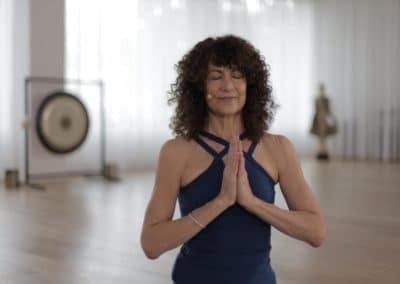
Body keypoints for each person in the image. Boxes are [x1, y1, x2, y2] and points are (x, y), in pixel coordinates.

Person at [141, 35, 326, 284]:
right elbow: (152, 244)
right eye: (216, 77)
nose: (228, 86)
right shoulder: (175, 152)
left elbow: (316, 232)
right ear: (199, 87)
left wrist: (252, 202)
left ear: (251, 84)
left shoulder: (278, 148)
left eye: (237, 75)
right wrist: (221, 201)